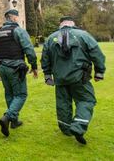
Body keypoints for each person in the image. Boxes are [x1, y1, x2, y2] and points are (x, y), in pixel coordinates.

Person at [41, 16, 106, 145]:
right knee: (86, 100)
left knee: (63, 103)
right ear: (73, 23)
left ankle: (66, 128)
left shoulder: (50, 38)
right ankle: (78, 126)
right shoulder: (83, 35)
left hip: (60, 78)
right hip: (79, 77)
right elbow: (96, 52)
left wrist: (47, 75)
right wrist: (99, 72)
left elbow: (45, 58)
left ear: (61, 24)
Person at [0, 9, 38, 137]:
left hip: (3, 68)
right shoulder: (19, 31)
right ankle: (7, 117)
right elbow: (29, 49)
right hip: (16, 68)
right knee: (21, 94)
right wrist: (34, 66)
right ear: (14, 18)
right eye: (17, 16)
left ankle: (14, 122)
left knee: (9, 94)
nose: (18, 18)